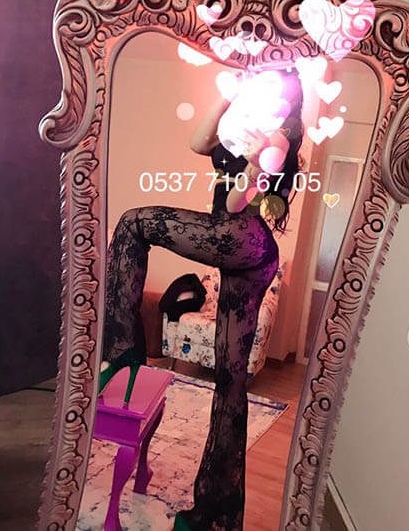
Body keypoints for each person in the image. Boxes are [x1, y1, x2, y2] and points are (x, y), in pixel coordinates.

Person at [100, 67, 304, 530]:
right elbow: (198, 142)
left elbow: (234, 205)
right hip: (247, 250)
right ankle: (216, 515)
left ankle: (123, 349)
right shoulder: (246, 119)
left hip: (242, 237)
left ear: (287, 97)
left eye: (271, 83)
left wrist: (254, 157)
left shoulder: (276, 139)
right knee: (230, 382)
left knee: (134, 222)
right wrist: (230, 93)